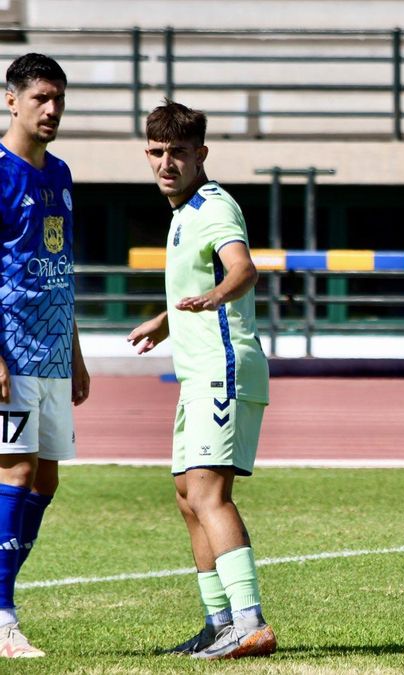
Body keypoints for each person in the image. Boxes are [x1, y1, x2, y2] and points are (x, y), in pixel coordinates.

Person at [127, 101, 275, 660]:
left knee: (210, 493)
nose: (168, 163)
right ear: (148, 154)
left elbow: (241, 268)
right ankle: (218, 623)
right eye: (158, 153)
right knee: (188, 496)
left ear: (201, 156)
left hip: (223, 368)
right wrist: (167, 321)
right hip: (196, 373)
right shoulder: (183, 210)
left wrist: (216, 296)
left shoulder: (214, 208)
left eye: (179, 153)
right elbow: (206, 276)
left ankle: (249, 622)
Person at [0, 52, 88, 659]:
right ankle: (2, 614)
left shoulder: (60, 174)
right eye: (40, 98)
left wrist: (77, 351)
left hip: (55, 353)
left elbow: (60, 270)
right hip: (11, 346)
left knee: (48, 477)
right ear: (11, 100)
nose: (52, 109)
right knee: (17, 470)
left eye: (58, 99)